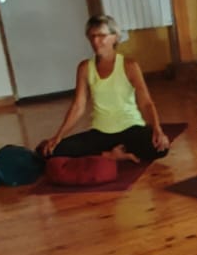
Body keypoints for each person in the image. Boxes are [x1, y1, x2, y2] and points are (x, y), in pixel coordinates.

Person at [40, 15, 170, 162]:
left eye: (102, 36)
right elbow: (78, 106)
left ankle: (105, 154)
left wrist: (157, 130)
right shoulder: (84, 67)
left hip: (130, 128)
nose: (96, 41)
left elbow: (146, 103)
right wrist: (58, 136)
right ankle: (111, 155)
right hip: (100, 133)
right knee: (51, 151)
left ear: (115, 37)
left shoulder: (129, 66)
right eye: (92, 36)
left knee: (161, 148)